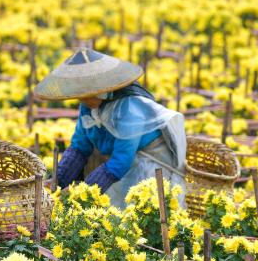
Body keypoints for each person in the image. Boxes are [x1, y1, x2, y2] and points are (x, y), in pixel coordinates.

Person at [36, 48, 186, 209]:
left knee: (141, 207)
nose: (80, 98)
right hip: (118, 159)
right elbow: (80, 146)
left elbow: (121, 161)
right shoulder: (88, 106)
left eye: (85, 94)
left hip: (149, 159)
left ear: (102, 91)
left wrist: (83, 193)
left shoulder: (129, 109)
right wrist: (58, 181)